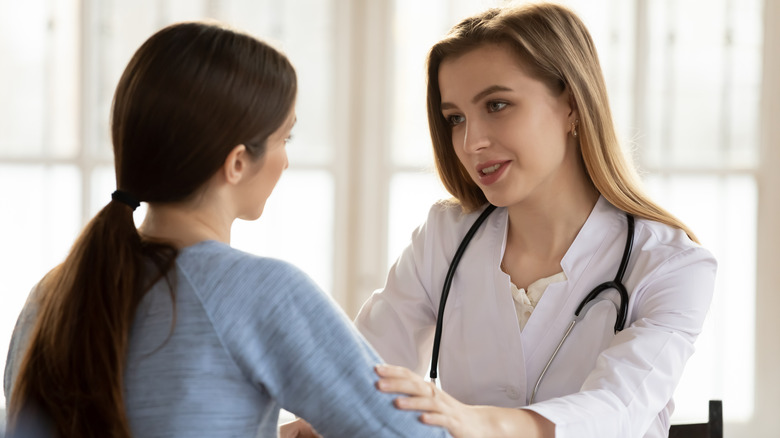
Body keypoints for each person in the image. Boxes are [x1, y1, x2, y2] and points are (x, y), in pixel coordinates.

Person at [2, 22, 449, 438]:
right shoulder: (261, 292)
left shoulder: (54, 293)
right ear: (237, 163)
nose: (286, 161)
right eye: (284, 139)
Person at [358, 3, 717, 438]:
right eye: (455, 118)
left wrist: (471, 420)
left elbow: (618, 409)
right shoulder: (444, 237)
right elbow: (368, 370)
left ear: (571, 104)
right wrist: (329, 418)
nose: (471, 142)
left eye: (497, 105)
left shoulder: (670, 265)